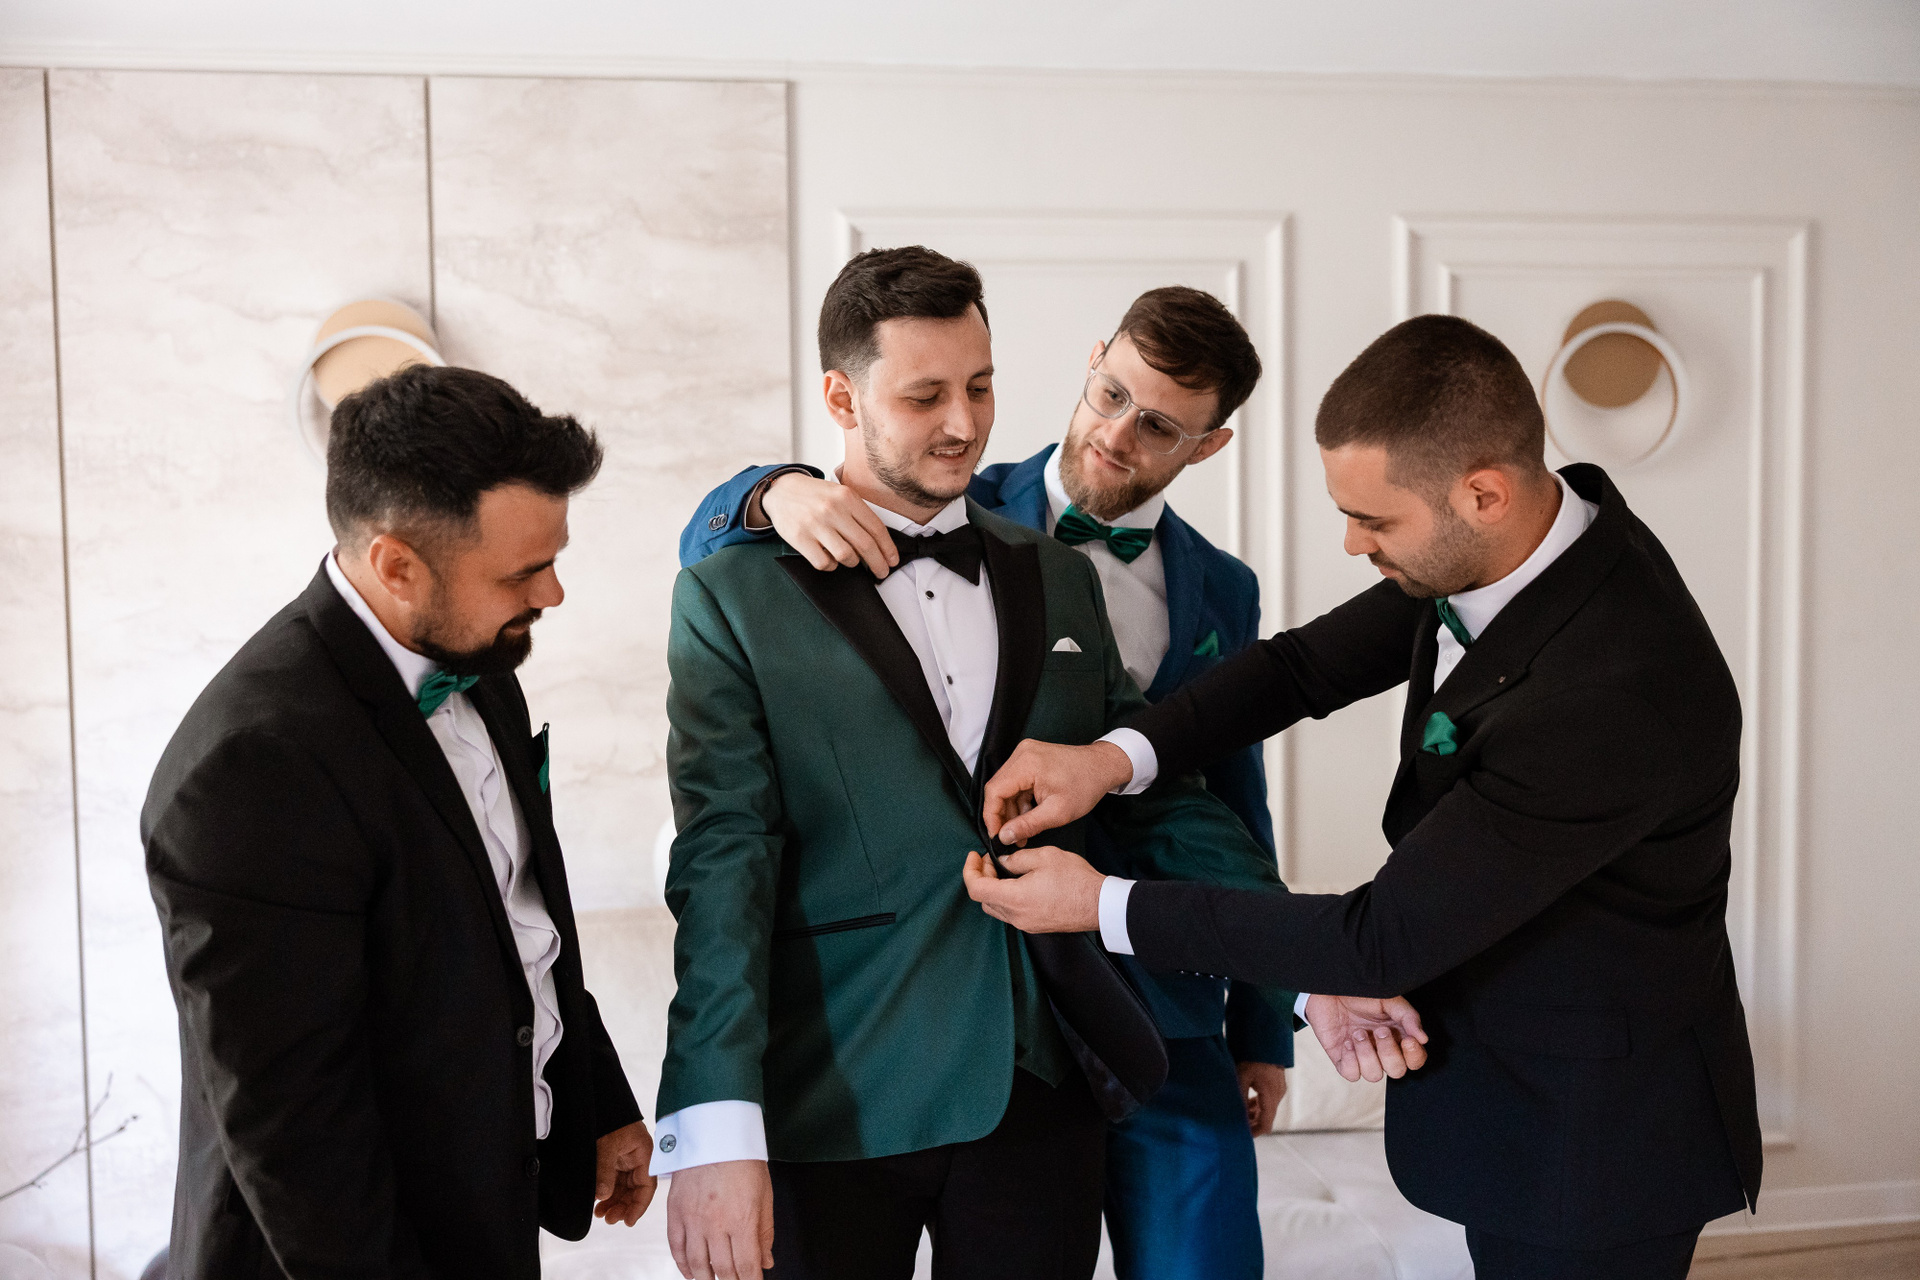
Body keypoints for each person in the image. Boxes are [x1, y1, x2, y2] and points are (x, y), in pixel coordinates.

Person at [656, 247, 1409, 1280]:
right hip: (835, 1085)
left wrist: (1312, 968)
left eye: (981, 386)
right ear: (840, 397)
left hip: (1045, 1079)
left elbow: (1169, 800)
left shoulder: (1056, 576)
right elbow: (722, 860)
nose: (964, 423)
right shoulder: (735, 594)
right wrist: (711, 1124)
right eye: (924, 395)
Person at [962, 314, 1765, 1280]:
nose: (1351, 543)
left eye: (1375, 522)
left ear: (1483, 494)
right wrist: (1110, 758)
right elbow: (1300, 669)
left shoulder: (1614, 693)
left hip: (1598, 1134)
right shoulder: (1521, 547)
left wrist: (1098, 904)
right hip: (1506, 1081)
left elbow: (1374, 940)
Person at [143, 365, 656, 1278]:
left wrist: (597, 1102)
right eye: (524, 571)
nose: (553, 594)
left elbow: (517, 928)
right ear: (396, 565)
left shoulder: (479, 659)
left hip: (484, 1220)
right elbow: (299, 1133)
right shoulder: (251, 768)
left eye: (554, 558)